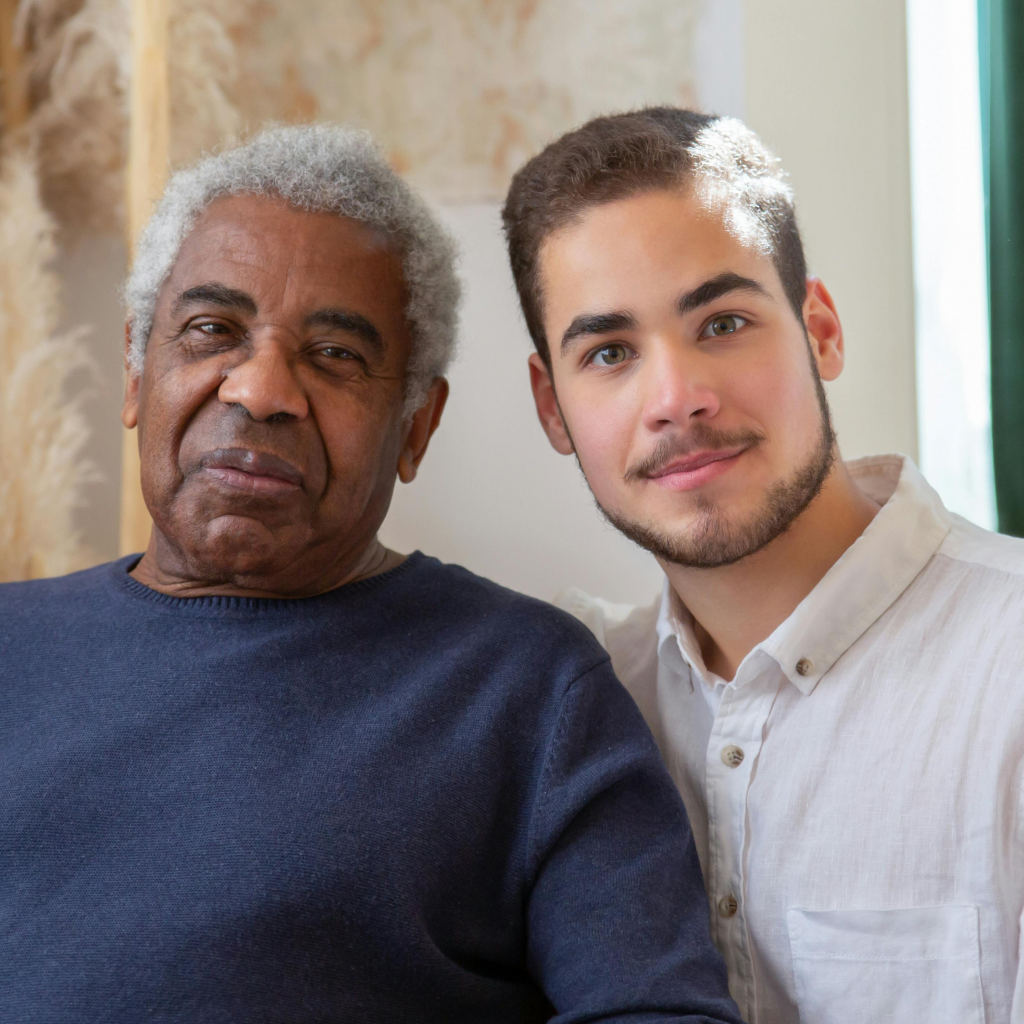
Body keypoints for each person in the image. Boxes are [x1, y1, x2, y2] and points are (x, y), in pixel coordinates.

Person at [0, 125, 742, 1024]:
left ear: (417, 428)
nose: (259, 389)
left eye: (334, 355)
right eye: (211, 331)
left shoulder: (527, 688)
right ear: (135, 372)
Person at [501, 106, 1024, 1024]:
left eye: (723, 322)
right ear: (552, 408)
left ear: (819, 329)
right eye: (610, 352)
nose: (677, 400)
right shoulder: (580, 707)